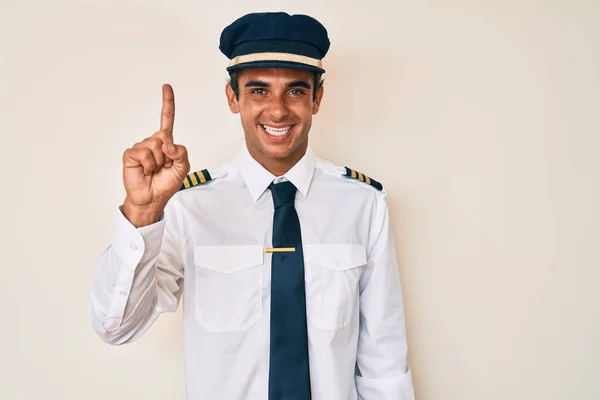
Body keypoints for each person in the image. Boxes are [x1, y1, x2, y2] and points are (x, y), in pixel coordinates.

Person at [90, 11, 415, 400]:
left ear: (317, 98)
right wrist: (142, 213)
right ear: (233, 97)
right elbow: (116, 327)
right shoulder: (187, 206)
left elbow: (385, 360)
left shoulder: (363, 204)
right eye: (259, 90)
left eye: (295, 90)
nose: (277, 110)